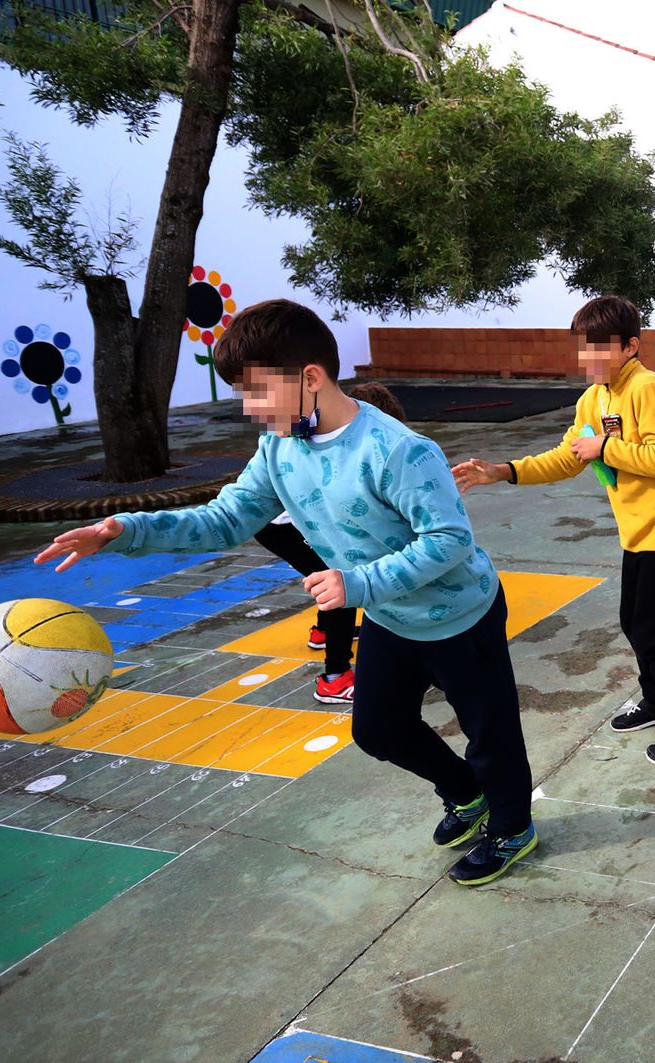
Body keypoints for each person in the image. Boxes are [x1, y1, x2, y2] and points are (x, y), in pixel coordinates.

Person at [34, 300, 539, 887]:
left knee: (489, 732)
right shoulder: (280, 447)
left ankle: (511, 828)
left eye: (256, 391)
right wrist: (126, 530)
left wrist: (357, 584)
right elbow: (226, 519)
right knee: (377, 730)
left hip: (457, 614)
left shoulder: (400, 450)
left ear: (310, 379)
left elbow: (449, 540)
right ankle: (465, 792)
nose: (250, 409)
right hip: (388, 615)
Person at [452, 296, 655, 769]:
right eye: (584, 348)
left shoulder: (647, 389)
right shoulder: (593, 398)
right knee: (633, 626)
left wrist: (606, 447)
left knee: (654, 636)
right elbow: (567, 456)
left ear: (631, 347)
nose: (589, 358)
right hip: (638, 532)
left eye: (600, 348)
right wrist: (504, 471)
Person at [250, 381, 405, 705]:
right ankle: (335, 677)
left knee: (334, 575)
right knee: (339, 585)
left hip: (281, 522)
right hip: (276, 525)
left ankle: (323, 633)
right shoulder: (312, 443)